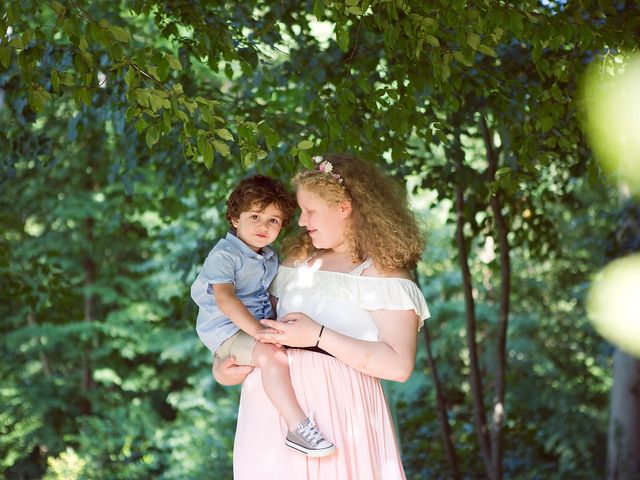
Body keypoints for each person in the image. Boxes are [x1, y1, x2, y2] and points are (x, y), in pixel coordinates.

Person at [213, 154, 430, 479]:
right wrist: (224, 366)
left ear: (344, 207)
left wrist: (318, 336)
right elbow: (258, 327)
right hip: (269, 414)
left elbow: (399, 366)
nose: (301, 221)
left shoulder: (384, 273)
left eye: (310, 211)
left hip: (339, 413)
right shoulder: (293, 261)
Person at [191, 175, 336, 457]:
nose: (263, 226)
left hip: (249, 329)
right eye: (255, 216)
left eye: (273, 220)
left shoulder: (268, 257)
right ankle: (297, 427)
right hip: (229, 331)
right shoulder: (225, 255)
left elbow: (268, 298)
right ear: (235, 218)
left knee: (284, 349)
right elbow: (225, 299)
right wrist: (259, 331)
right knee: (272, 355)